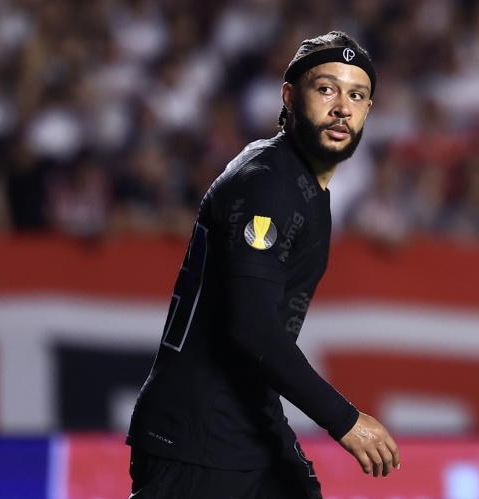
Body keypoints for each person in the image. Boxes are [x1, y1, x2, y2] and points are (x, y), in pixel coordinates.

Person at [126, 31, 400, 498]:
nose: (342, 108)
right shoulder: (267, 185)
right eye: (326, 89)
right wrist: (344, 419)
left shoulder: (298, 182)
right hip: (198, 436)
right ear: (289, 97)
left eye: (356, 96)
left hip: (247, 426)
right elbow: (253, 326)